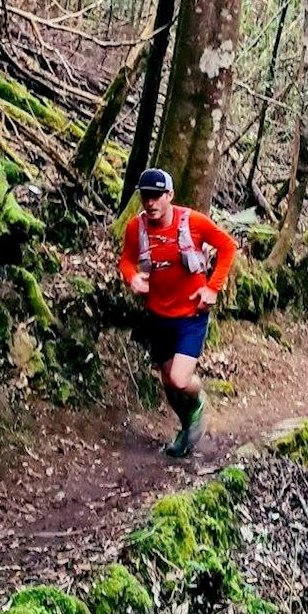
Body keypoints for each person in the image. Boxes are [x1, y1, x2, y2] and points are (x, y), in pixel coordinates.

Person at [118, 168, 238, 457]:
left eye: (157, 196)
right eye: (146, 197)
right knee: (168, 384)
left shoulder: (192, 222)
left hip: (191, 316)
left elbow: (227, 246)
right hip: (158, 316)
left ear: (169, 195)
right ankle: (187, 429)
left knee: (180, 380)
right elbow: (126, 261)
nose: (151, 203)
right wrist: (132, 277)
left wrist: (212, 288)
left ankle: (198, 401)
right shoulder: (137, 228)